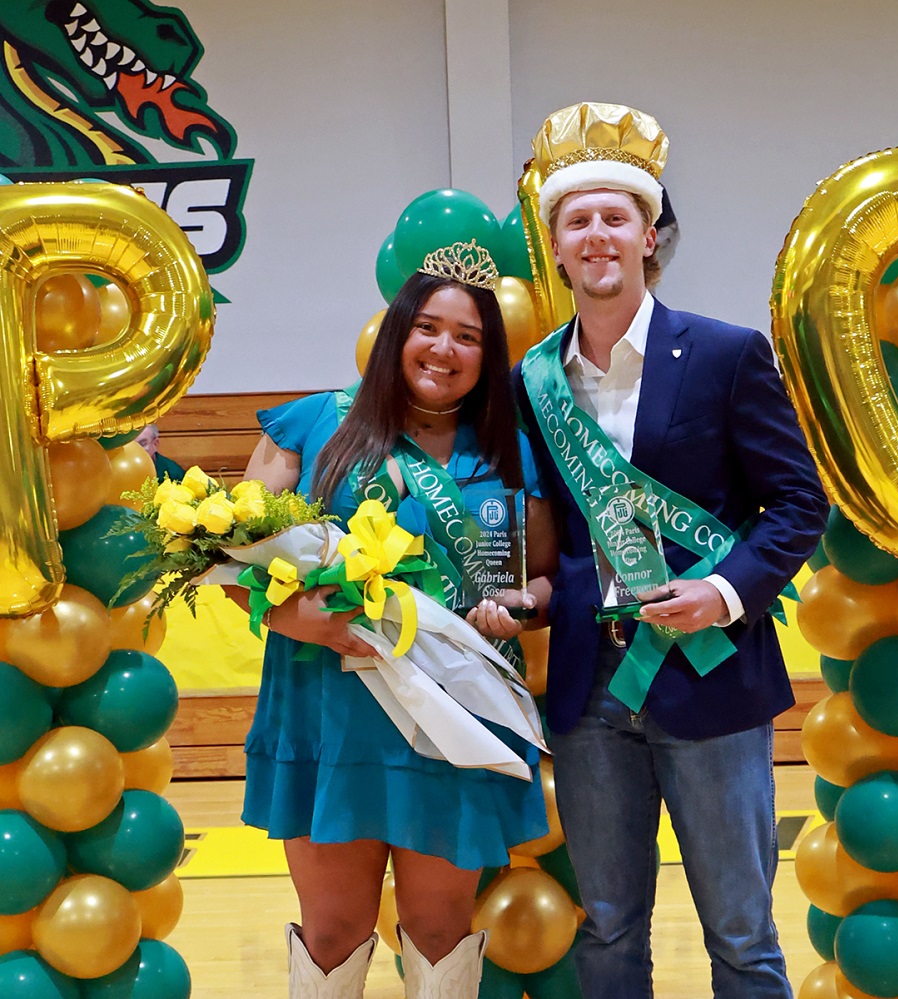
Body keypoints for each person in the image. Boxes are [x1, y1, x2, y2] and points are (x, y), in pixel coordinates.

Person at [514, 102, 829, 999]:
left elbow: (797, 502)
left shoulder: (726, 355)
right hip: (589, 690)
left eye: (616, 215)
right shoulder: (531, 381)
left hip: (710, 674)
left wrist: (724, 593)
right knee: (607, 927)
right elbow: (538, 530)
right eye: (577, 220)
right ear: (559, 247)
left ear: (650, 234)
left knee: (739, 930)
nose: (597, 234)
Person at [231, 240, 557, 999]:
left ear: (487, 354)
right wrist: (285, 616)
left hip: (449, 716)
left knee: (440, 927)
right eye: (428, 328)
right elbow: (227, 552)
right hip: (329, 707)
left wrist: (522, 606)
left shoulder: (506, 452)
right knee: (332, 929)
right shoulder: (314, 425)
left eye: (469, 337)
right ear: (395, 334)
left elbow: (542, 578)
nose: (444, 349)